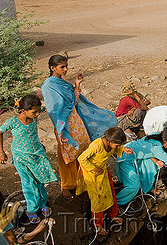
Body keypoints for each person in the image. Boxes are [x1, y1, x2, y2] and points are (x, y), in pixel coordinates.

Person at [41, 55, 117, 199]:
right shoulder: (49, 85)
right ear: (52, 68)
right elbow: (54, 110)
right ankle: (66, 185)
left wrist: (77, 84)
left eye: (66, 66)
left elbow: (73, 101)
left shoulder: (61, 82)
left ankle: (81, 182)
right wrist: (60, 130)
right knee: (66, 155)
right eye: (62, 67)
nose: (65, 69)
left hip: (75, 122)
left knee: (81, 151)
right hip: (63, 125)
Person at [0, 95, 57, 224]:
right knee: (28, 183)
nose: (37, 114)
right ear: (23, 111)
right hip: (21, 158)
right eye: (34, 112)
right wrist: (1, 152)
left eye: (38, 111)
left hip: (36, 154)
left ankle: (42, 204)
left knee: (40, 180)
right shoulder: (13, 121)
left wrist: (39, 145)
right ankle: (31, 210)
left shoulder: (33, 119)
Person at [76, 127, 132, 235]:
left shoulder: (110, 144)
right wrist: (94, 169)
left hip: (103, 170)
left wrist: (123, 149)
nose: (118, 147)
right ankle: (97, 225)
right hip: (93, 174)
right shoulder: (96, 146)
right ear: (110, 141)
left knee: (109, 192)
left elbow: (115, 148)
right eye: (117, 145)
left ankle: (111, 214)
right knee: (98, 197)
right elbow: (81, 158)